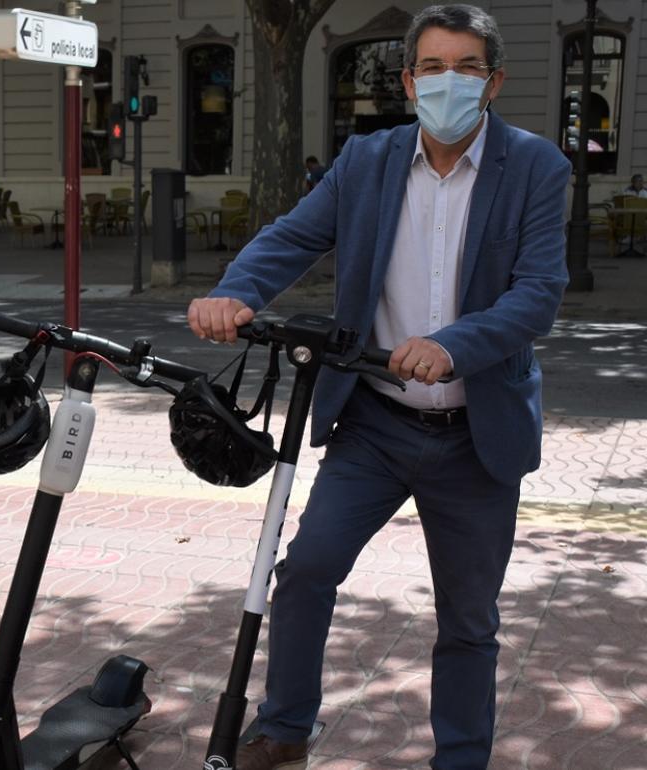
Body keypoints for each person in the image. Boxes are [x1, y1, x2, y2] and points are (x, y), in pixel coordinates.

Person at [186, 6, 569, 769]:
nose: (448, 81)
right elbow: (295, 235)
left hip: (476, 435)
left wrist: (453, 345)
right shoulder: (369, 159)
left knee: (468, 620)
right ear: (408, 80)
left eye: (466, 66)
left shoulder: (535, 166)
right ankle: (286, 728)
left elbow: (538, 294)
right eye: (432, 67)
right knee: (306, 571)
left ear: (493, 81)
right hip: (374, 423)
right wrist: (236, 292)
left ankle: (460, 759)